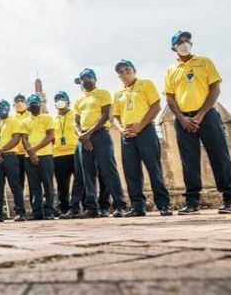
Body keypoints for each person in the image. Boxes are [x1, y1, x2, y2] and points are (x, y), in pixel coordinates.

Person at [164, 31, 231, 214]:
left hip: (207, 116)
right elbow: (169, 97)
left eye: (187, 40)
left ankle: (229, 198)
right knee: (189, 161)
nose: (185, 43)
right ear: (173, 48)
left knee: (220, 156)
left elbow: (215, 89)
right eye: (180, 42)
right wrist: (182, 118)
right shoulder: (171, 70)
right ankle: (192, 202)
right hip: (183, 120)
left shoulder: (205, 62)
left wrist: (200, 115)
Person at [111, 59, 173, 217]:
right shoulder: (118, 94)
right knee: (131, 172)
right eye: (121, 72)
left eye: (127, 70)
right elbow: (115, 117)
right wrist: (121, 129)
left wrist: (140, 125)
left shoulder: (146, 84)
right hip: (127, 135)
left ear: (134, 70)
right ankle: (138, 206)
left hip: (145, 132)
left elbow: (156, 107)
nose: (124, 74)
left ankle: (164, 204)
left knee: (154, 168)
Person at [74, 68, 127, 218]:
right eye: (83, 78)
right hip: (84, 139)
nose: (86, 80)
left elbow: (105, 115)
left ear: (95, 79)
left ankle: (119, 205)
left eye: (89, 77)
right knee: (88, 174)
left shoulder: (103, 93)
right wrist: (81, 135)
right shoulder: (79, 99)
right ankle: (92, 207)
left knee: (108, 171)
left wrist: (88, 133)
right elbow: (75, 121)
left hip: (100, 135)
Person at [0, 100, 27, 222]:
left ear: (8, 108)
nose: (0, 109)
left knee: (15, 186)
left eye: (3, 106)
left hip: (10, 157)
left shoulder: (14, 122)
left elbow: (16, 139)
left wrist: (1, 150)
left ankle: (20, 213)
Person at [21, 94, 55, 220]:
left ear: (40, 104)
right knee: (34, 186)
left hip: (45, 155)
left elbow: (50, 136)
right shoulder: (24, 121)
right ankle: (37, 212)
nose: (33, 105)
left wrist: (33, 149)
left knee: (48, 184)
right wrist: (31, 153)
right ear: (28, 106)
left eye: (35, 103)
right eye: (31, 104)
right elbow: (24, 138)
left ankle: (49, 211)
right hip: (28, 158)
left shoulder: (48, 118)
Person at [51, 91, 78, 217]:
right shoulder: (52, 119)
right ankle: (64, 209)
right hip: (58, 155)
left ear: (68, 101)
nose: (59, 101)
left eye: (61, 98)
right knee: (62, 185)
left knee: (79, 182)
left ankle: (78, 208)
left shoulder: (75, 115)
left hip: (74, 152)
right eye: (56, 99)